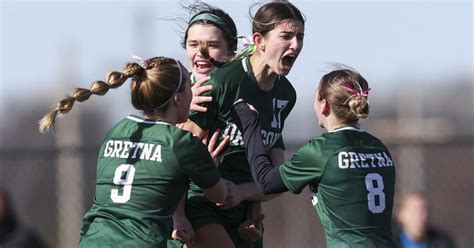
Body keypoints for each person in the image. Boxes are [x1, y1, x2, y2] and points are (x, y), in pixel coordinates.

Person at [38, 56, 228, 247]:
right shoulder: (181, 142)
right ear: (178, 98)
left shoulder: (116, 131)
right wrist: (209, 167)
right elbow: (220, 196)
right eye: (189, 86)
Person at [180, 2, 305, 247]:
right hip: (200, 202)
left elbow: (276, 179)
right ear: (259, 40)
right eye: (286, 36)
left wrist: (246, 194)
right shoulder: (222, 84)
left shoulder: (285, 95)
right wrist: (177, 215)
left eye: (300, 37)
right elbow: (177, 155)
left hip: (243, 213)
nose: (296, 45)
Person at [231, 68, 397, 247]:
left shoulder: (322, 150)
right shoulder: (378, 147)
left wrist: (250, 124)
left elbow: (266, 182)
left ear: (324, 105)